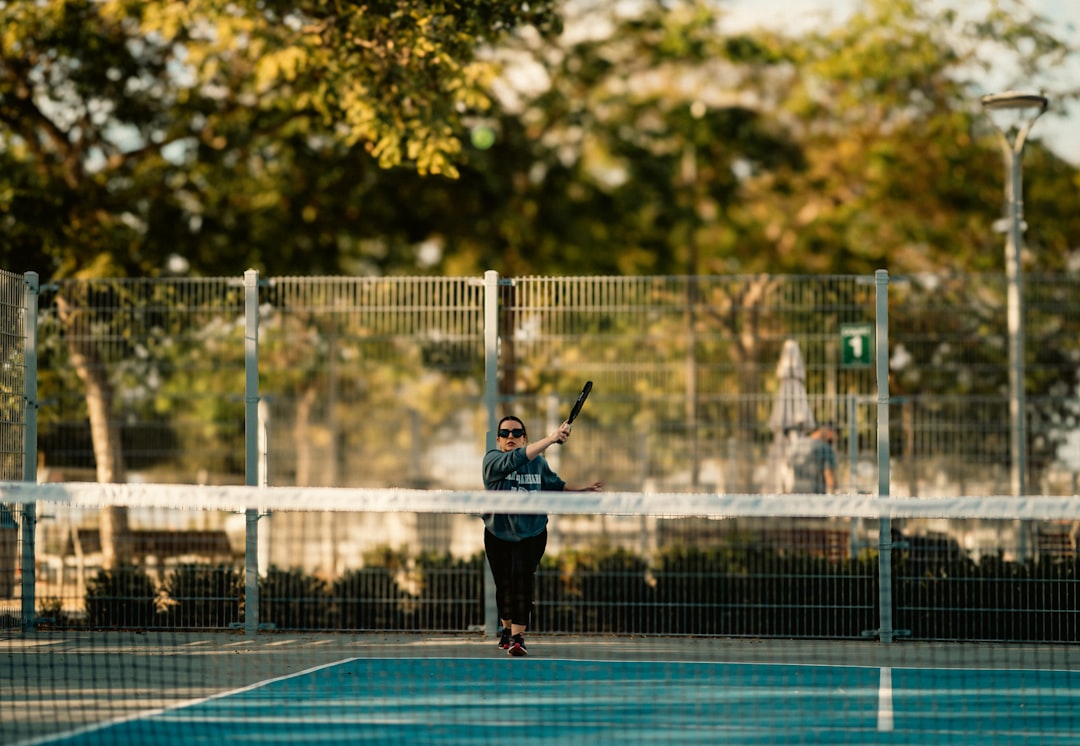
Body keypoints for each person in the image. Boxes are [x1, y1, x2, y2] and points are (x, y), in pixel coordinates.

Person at [482, 415, 602, 657]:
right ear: (498, 440)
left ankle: (517, 638)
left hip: (532, 532)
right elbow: (515, 459)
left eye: (517, 433)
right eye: (505, 434)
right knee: (504, 585)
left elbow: (554, 485)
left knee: (521, 579)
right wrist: (551, 438)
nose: (511, 437)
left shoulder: (538, 463)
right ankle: (506, 629)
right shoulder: (492, 460)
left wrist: (582, 490)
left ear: (524, 438)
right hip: (498, 533)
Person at [788, 422, 838, 494]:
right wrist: (833, 493)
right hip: (816, 493)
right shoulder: (826, 449)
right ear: (831, 433)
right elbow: (829, 473)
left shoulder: (796, 445)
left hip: (796, 491)